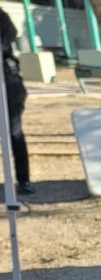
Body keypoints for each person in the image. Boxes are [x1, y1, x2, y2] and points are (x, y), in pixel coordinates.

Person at [0, 9, 32, 194]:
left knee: (14, 132)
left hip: (7, 83)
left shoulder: (2, 18)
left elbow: (7, 40)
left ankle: (23, 180)